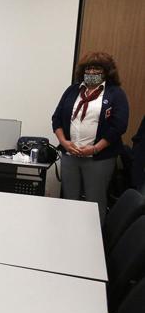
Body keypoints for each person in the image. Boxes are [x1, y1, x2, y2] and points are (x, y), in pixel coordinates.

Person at [52, 52, 130, 222]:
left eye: (97, 69)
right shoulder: (73, 90)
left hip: (99, 158)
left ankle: (95, 242)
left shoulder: (115, 93)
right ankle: (68, 234)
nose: (92, 72)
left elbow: (119, 126)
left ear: (106, 72)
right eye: (89, 68)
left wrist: (95, 148)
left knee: (95, 201)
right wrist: (64, 142)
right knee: (69, 200)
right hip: (70, 155)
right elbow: (56, 118)